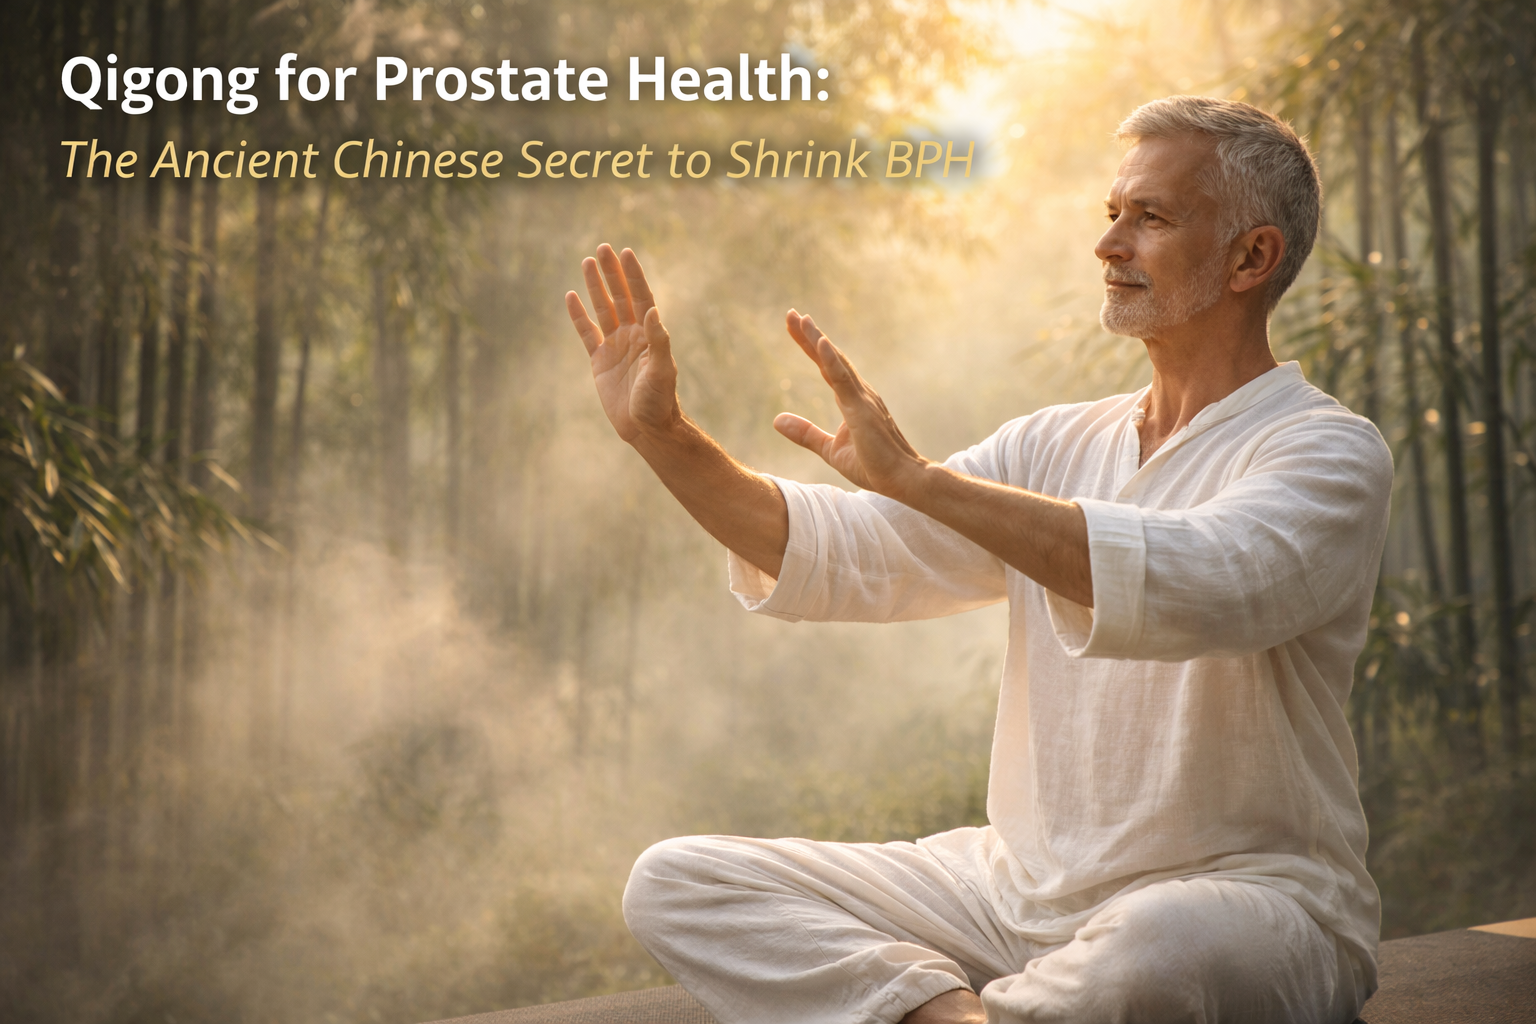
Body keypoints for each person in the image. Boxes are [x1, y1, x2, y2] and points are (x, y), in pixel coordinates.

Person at [564, 96, 1390, 1024]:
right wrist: (664, 437)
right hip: (1009, 897)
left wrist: (920, 480)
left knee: (1159, 952)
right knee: (682, 881)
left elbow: (1207, 581)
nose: (1109, 244)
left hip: (1243, 902)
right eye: (1112, 213)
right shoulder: (1054, 443)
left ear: (1253, 257)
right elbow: (850, 553)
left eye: (1150, 217)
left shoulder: (1325, 452)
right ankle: (971, 1016)